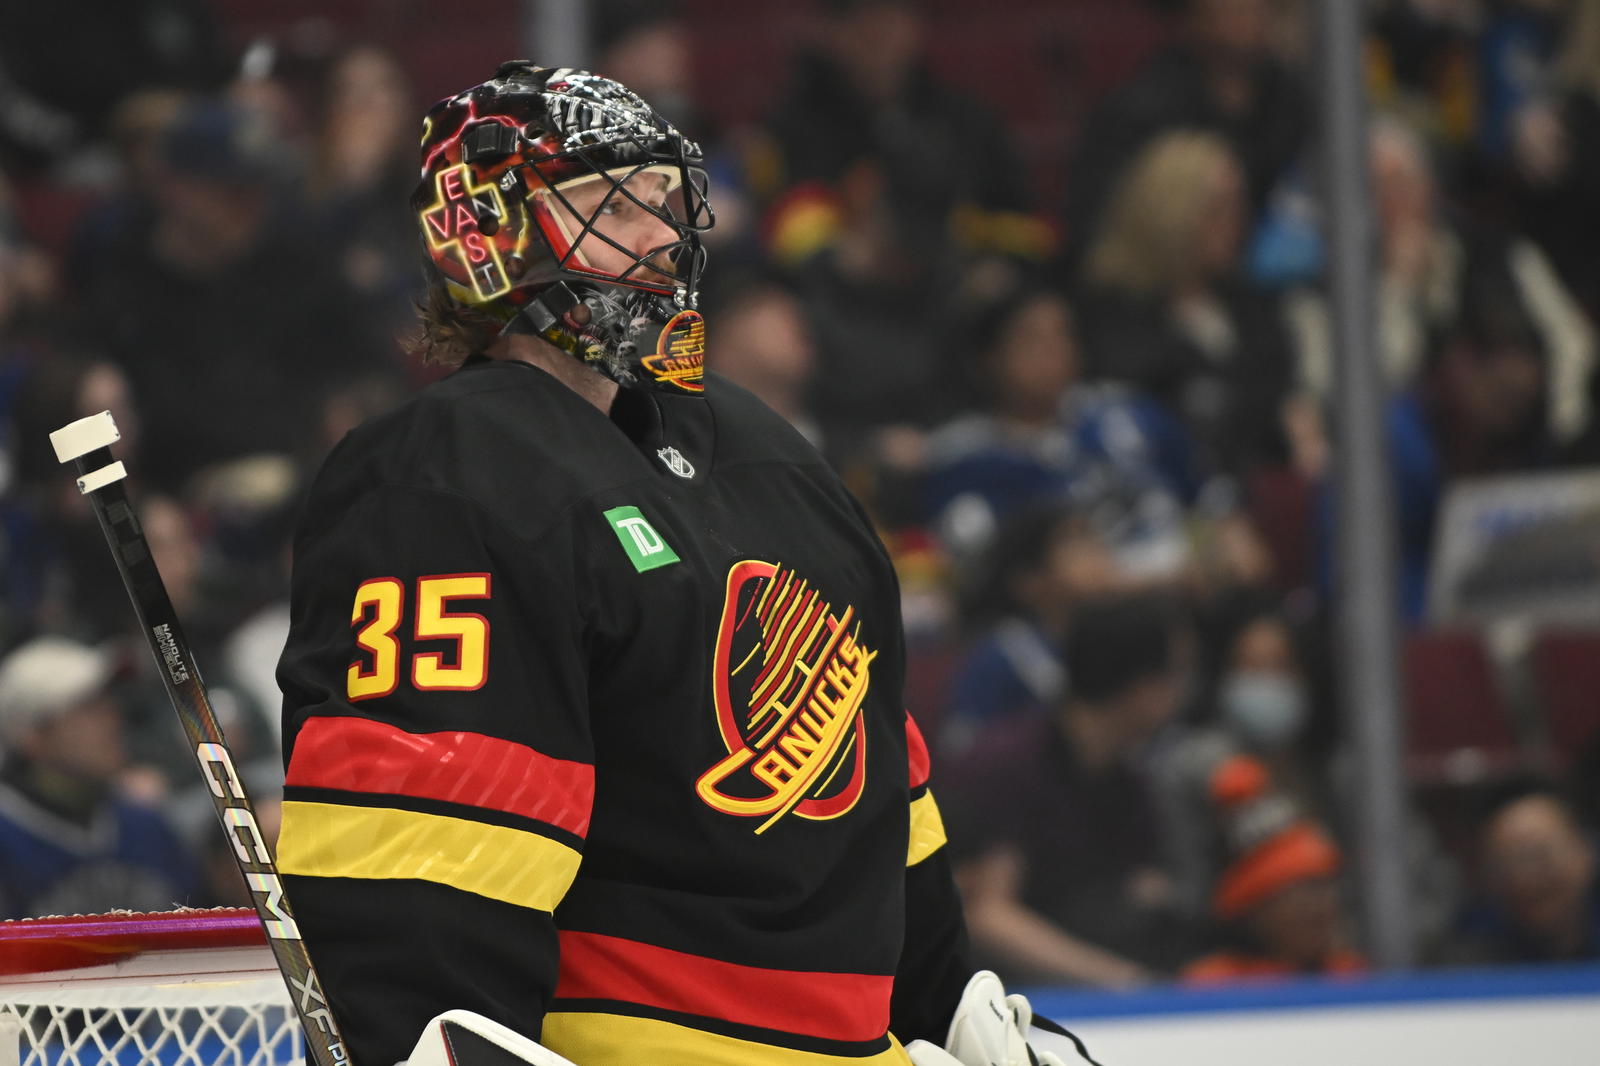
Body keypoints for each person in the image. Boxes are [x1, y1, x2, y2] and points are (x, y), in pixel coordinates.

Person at [276, 63, 1077, 1066]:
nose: (659, 233)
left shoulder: (764, 447)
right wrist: (421, 1033)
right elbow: (417, 868)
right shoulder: (448, 477)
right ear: (487, 234)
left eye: (662, 199)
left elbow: (879, 790)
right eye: (609, 206)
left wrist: (945, 994)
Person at [943, 593, 1195, 987]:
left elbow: (1143, 890)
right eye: (1176, 674)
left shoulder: (1130, 782)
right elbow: (988, 914)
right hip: (992, 1000)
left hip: (1092, 990)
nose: (1184, 692)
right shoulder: (1006, 765)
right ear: (1141, 686)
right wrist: (1127, 981)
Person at [0, 636, 199, 918]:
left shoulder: (147, 825)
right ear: (33, 735)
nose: (112, 720)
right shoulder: (7, 838)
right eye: (87, 708)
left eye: (109, 703)